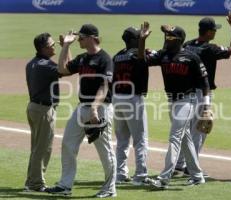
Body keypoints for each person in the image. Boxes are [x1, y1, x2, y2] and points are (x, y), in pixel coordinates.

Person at [45, 24, 117, 197]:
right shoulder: (83, 58)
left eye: (81, 38)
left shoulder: (105, 59)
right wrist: (66, 46)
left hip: (100, 108)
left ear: (92, 38)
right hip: (81, 108)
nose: (79, 40)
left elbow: (105, 86)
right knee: (68, 144)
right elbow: (63, 69)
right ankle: (65, 185)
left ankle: (109, 188)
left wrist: (94, 108)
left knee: (104, 150)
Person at [140, 24, 211, 189]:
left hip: (188, 101)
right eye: (167, 37)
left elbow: (205, 83)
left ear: (179, 40)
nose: (167, 39)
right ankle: (197, 175)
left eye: (171, 37)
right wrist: (142, 40)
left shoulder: (191, 57)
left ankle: (164, 178)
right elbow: (142, 60)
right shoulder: (163, 55)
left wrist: (206, 107)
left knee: (174, 137)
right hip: (172, 101)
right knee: (185, 139)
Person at [175, 11, 231, 176]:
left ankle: (179, 164)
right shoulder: (210, 48)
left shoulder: (187, 45)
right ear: (209, 32)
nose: (216, 32)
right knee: (200, 130)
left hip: (184, 94)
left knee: (186, 130)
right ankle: (191, 167)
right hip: (201, 93)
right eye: (214, 30)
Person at [24, 32, 62, 192]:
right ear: (44, 48)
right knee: (43, 148)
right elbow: (65, 69)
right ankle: (36, 184)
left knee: (36, 147)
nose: (54, 46)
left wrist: (64, 46)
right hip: (43, 109)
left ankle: (31, 181)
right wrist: (66, 46)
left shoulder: (33, 63)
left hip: (34, 107)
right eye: (52, 45)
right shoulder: (45, 65)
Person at [112, 26, 149, 185]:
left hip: (116, 98)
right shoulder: (137, 54)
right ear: (134, 40)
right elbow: (142, 58)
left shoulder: (117, 56)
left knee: (122, 139)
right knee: (140, 139)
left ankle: (120, 174)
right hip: (132, 99)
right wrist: (143, 41)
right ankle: (140, 175)